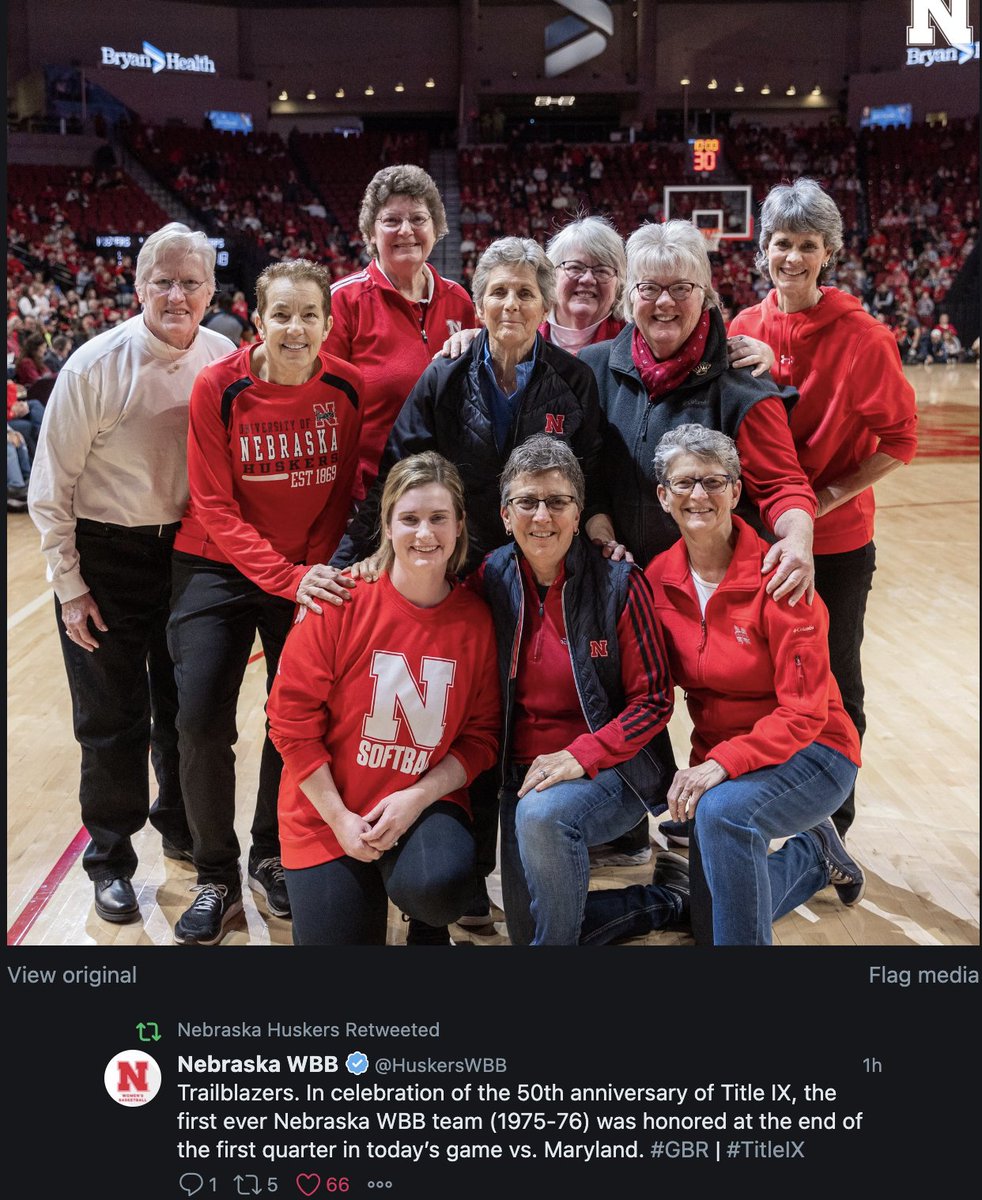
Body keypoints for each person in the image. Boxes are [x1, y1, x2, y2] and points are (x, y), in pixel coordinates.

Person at [333, 235, 611, 938]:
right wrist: (353, 556)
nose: (511, 304)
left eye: (525, 292)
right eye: (498, 291)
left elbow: (596, 474)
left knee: (523, 718)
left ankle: (531, 852)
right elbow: (400, 466)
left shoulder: (573, 381)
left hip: (544, 578)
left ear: (545, 303)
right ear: (477, 300)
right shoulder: (446, 374)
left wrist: (602, 538)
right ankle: (459, 873)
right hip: (463, 578)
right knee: (461, 721)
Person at [579, 220, 817, 856]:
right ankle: (647, 816)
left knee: (728, 705)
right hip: (631, 585)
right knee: (612, 693)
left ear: (707, 294)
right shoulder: (593, 371)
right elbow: (587, 482)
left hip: (713, 588)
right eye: (649, 288)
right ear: (628, 294)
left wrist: (797, 539)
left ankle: (794, 825)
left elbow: (785, 487)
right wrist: (601, 533)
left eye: (679, 288)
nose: (663, 302)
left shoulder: (743, 384)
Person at [580, 427, 865, 946]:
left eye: (715, 481)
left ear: (736, 493)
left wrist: (720, 765)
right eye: (684, 482)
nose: (699, 495)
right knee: (715, 921)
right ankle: (813, 856)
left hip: (815, 750)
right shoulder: (654, 583)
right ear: (663, 497)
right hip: (726, 764)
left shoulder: (782, 576)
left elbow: (804, 714)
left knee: (725, 815)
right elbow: (645, 693)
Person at [27, 222, 231, 924]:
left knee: (185, 708)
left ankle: (178, 823)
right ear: (138, 286)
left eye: (190, 282)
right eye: (163, 281)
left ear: (211, 289)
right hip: (105, 555)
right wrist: (70, 587)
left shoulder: (224, 355)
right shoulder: (93, 366)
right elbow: (49, 489)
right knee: (112, 718)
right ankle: (110, 860)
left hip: (189, 554)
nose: (177, 294)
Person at [167, 259, 364, 946]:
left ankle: (271, 853)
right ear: (257, 316)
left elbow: (340, 493)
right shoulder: (217, 388)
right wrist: (286, 576)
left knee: (296, 715)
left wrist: (309, 569)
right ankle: (215, 874)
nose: (296, 328)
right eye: (282, 313)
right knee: (199, 720)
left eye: (310, 314)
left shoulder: (346, 387)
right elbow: (215, 507)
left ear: (327, 322)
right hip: (216, 564)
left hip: (303, 569)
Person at [729, 178, 917, 837]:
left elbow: (901, 441)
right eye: (782, 243)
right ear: (764, 250)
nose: (793, 257)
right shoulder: (743, 327)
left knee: (835, 677)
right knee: (758, 676)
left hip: (835, 546)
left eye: (808, 245)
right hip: (754, 539)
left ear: (827, 252)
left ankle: (833, 817)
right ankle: (758, 800)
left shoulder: (863, 337)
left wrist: (825, 498)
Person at [267, 453, 500, 945]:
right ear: (388, 526)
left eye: (439, 518)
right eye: (409, 519)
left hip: (423, 805)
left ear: (459, 525)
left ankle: (426, 922)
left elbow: (480, 740)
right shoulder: (339, 600)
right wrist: (340, 820)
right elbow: (290, 724)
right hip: (328, 812)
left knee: (437, 888)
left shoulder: (476, 621)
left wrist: (416, 798)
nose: (425, 534)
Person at [474, 436, 685, 945]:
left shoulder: (619, 583)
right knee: (537, 927)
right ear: (505, 515)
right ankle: (670, 900)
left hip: (614, 771)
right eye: (527, 502)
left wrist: (580, 754)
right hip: (519, 777)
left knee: (543, 820)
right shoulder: (489, 578)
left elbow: (654, 699)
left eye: (557, 502)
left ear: (578, 513)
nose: (541, 516)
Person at [327, 164, 479, 500]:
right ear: (371, 233)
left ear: (436, 227)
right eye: (391, 220)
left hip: (445, 493)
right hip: (368, 497)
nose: (406, 230)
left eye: (418, 219)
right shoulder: (342, 302)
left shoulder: (459, 301)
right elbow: (323, 410)